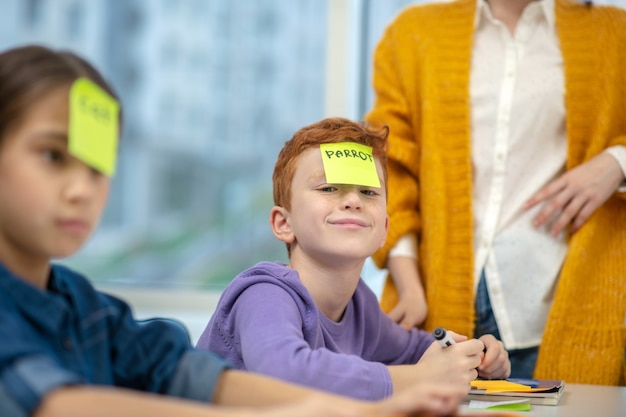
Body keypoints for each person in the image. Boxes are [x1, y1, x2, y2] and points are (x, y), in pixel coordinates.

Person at [0, 44, 469, 417]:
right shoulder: (266, 292)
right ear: (281, 223)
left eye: (98, 169)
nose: (82, 189)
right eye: (53, 157)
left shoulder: (83, 306)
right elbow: (52, 405)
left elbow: (179, 372)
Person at [364, 0, 626, 383]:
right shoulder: (413, 34)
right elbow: (391, 166)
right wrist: (409, 283)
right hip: (435, 307)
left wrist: (617, 162)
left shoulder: (615, 33)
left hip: (564, 299)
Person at [196, 117, 510, 401]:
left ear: (385, 228)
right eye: (329, 187)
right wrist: (420, 376)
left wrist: (474, 356)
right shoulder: (264, 294)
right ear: (283, 223)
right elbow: (286, 374)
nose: (352, 201)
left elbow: (417, 350)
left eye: (368, 192)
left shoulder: (361, 305)